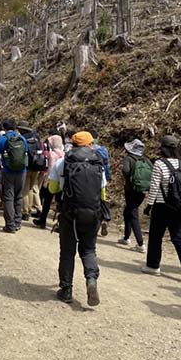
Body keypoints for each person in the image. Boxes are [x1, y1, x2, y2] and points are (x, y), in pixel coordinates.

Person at [48, 131, 105, 306]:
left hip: (69, 214)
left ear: (72, 144)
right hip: (93, 214)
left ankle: (66, 290)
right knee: (88, 250)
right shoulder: (98, 164)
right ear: (90, 145)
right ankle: (91, 280)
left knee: (67, 252)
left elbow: (52, 189)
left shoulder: (62, 163)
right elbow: (102, 193)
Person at [141, 135, 181, 283]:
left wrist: (149, 205)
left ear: (163, 148)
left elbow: (154, 186)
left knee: (156, 236)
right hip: (178, 206)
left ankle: (153, 266)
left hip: (162, 205)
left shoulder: (160, 164)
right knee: (177, 236)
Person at [0, 120, 29, 233]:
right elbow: (26, 153)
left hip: (8, 171)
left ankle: (10, 225)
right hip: (22, 171)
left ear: (4, 128)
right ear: (15, 128)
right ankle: (18, 222)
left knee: (8, 197)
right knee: (18, 196)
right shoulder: (22, 138)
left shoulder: (2, 139)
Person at [118, 139, 152, 253]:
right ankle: (126, 237)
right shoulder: (146, 160)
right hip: (142, 191)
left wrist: (130, 179)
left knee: (133, 215)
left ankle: (141, 243)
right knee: (127, 211)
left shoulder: (129, 159)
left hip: (131, 190)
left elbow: (125, 170)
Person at [33, 134, 65, 230]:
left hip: (52, 180)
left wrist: (46, 181)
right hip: (61, 182)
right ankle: (60, 224)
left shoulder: (52, 154)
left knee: (47, 202)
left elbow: (51, 169)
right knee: (60, 204)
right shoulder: (64, 154)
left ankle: (42, 221)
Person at [18, 120, 46, 221]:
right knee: (31, 188)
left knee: (25, 190)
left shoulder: (23, 138)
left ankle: (25, 212)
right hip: (37, 165)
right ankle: (29, 209)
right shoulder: (36, 137)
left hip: (27, 166)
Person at [92, 132, 112, 236]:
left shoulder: (90, 150)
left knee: (93, 200)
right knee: (102, 199)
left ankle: (94, 224)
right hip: (104, 176)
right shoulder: (103, 150)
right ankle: (104, 219)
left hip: (93, 176)